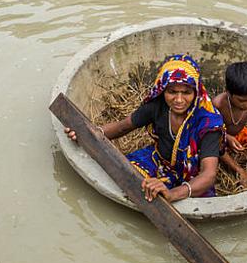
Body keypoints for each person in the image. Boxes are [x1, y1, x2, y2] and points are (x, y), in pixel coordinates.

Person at [65, 54, 223, 202]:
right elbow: (123, 127)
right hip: (160, 162)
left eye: (186, 92)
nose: (179, 100)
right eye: (172, 92)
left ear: (196, 92)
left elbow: (208, 174)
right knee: (126, 176)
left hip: (193, 177)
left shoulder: (207, 122)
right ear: (163, 90)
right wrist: (87, 133)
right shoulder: (157, 106)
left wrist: (172, 194)